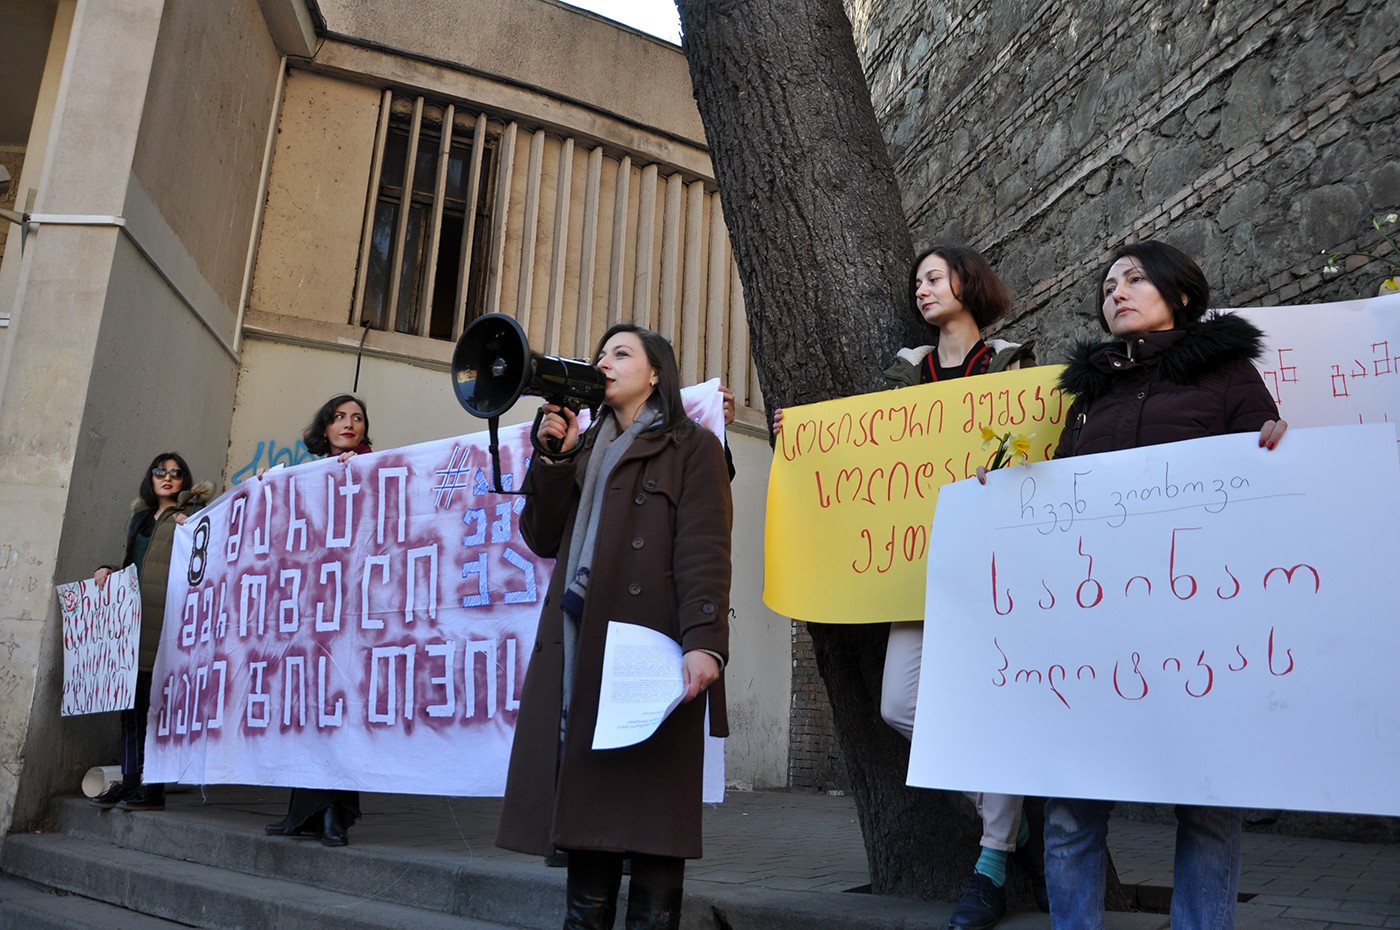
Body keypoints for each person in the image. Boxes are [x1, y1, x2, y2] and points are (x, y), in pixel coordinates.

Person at [1036, 240, 1287, 929]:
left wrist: (1278, 444)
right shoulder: (1088, 396)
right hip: (1097, 632)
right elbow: (1060, 499)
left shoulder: (1228, 373)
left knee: (1207, 809)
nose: (1115, 291)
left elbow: (1269, 477)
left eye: (1134, 279)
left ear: (1179, 295)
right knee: (1070, 813)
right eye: (1108, 283)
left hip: (1201, 632)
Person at [495, 323, 732, 930]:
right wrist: (554, 457)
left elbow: (703, 548)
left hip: (655, 650)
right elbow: (543, 538)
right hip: (588, 648)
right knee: (590, 818)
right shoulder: (584, 445)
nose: (605, 361)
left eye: (621, 353)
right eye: (601, 353)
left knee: (655, 820)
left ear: (657, 373)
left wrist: (704, 643)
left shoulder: (693, 446)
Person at [263, 393, 372, 847]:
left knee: (339, 707)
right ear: (324, 428)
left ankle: (335, 814)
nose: (348, 423)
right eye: (339, 417)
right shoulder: (305, 477)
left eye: (357, 418)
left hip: (354, 609)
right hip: (311, 609)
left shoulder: (378, 468)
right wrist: (267, 490)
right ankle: (305, 812)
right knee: (308, 707)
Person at [89, 452, 215, 812]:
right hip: (131, 623)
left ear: (184, 481)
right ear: (151, 477)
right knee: (128, 709)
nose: (168, 477)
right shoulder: (140, 518)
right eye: (161, 471)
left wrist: (189, 523)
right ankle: (130, 783)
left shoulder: (191, 516)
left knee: (153, 708)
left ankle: (152, 787)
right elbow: (132, 564)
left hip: (165, 624)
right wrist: (108, 570)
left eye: (176, 473)